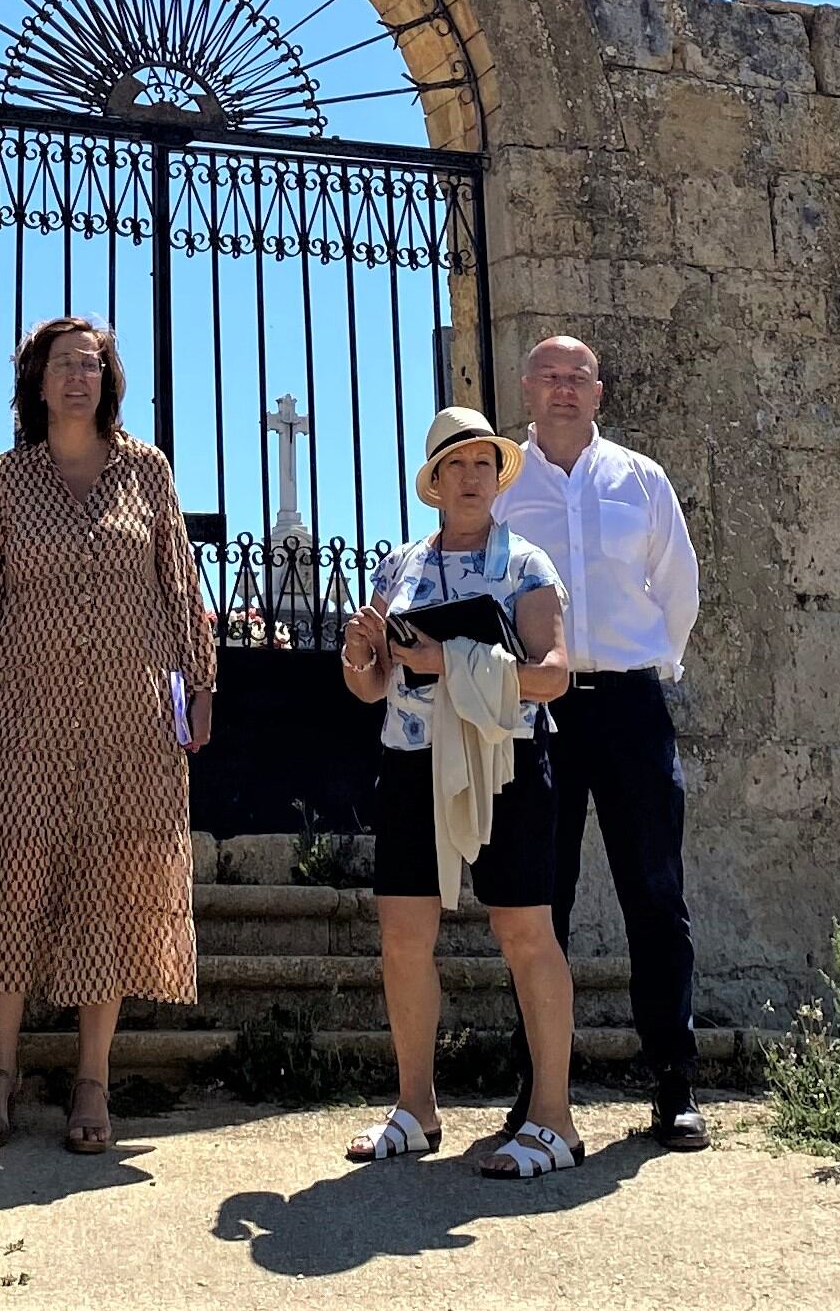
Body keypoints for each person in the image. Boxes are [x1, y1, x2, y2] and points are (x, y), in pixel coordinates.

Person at [0, 317, 215, 1154]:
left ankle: (93, 1077)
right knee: (13, 883)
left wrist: (200, 685)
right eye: (63, 364)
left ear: (108, 379)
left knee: (110, 889)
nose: (78, 377)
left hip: (132, 727)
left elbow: (180, 585)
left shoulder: (147, 470)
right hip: (25, 720)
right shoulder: (8, 478)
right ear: (37, 380)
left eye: (91, 364)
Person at [337, 406, 582, 1180]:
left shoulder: (527, 563)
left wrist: (451, 661)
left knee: (524, 930)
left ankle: (554, 1119)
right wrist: (358, 654)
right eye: (457, 465)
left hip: (505, 757)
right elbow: (373, 685)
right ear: (435, 483)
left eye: (484, 464)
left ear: (497, 478)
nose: (471, 477)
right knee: (403, 935)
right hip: (413, 758)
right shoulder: (400, 567)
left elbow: (554, 675)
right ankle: (416, 1108)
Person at [492, 334, 708, 1149]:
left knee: (654, 890)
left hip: (628, 706)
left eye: (576, 376)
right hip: (537, 710)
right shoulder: (503, 483)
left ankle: (673, 1081)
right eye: (548, 376)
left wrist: (654, 667)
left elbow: (677, 583)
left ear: (598, 390)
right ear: (526, 387)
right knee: (538, 900)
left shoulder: (640, 479)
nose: (563, 388)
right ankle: (538, 1085)